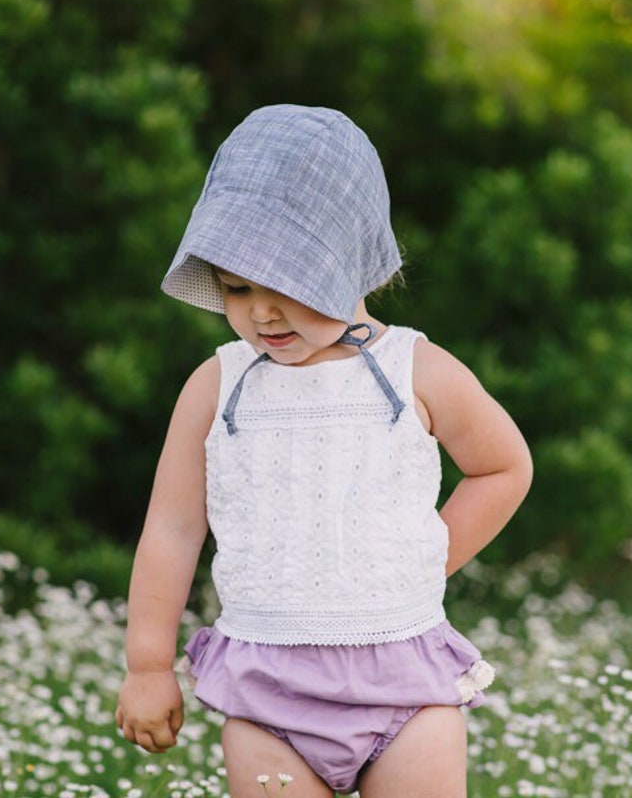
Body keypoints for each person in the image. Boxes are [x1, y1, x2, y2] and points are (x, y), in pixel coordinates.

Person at [116, 105, 533, 798]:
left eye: (289, 287)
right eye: (238, 288)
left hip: (406, 688)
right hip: (267, 695)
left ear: (348, 263)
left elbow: (503, 467)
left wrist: (425, 561)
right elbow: (173, 526)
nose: (262, 314)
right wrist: (147, 665)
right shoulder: (219, 384)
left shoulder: (415, 371)